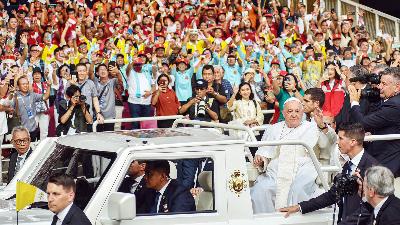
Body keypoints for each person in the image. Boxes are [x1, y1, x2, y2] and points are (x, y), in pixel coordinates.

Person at [279, 123, 379, 224]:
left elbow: (376, 205)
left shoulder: (373, 168)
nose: (337, 142)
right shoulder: (347, 166)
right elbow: (332, 195)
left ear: (353, 142)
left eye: (340, 138)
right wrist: (299, 207)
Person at [250, 97, 320, 213]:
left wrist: (322, 125)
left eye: (297, 111)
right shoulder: (273, 129)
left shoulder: (311, 127)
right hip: (277, 169)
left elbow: (325, 143)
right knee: (260, 190)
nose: (294, 115)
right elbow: (264, 151)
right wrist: (261, 159)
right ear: (283, 113)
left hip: (301, 168)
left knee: (297, 189)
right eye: (290, 111)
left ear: (302, 112)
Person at [349, 67, 400, 177]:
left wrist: (354, 102)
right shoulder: (389, 101)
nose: (379, 86)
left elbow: (362, 123)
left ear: (397, 87)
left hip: (387, 162)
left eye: (384, 84)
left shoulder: (394, 105)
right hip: (380, 157)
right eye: (380, 82)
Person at [302, 88, 337, 165]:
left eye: (306, 101)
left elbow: (333, 139)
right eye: (303, 100)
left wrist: (322, 125)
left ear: (316, 103)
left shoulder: (327, 118)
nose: (303, 103)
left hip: (322, 167)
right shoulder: (303, 119)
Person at [13, 75, 51, 141]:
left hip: (33, 129)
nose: (26, 85)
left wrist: (49, 86)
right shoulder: (15, 95)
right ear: (18, 86)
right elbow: (9, 107)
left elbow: (45, 97)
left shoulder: (32, 95)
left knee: (32, 148)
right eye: (23, 84)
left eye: (27, 83)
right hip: (20, 130)